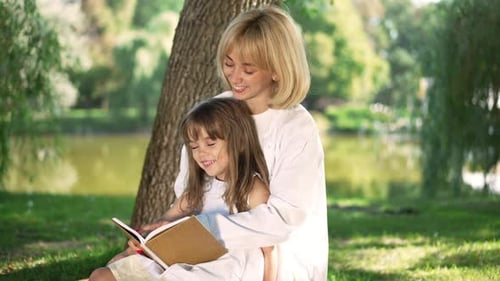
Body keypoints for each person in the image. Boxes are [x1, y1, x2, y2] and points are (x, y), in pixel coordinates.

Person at [91, 4, 328, 280]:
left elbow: (281, 222)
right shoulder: (214, 112)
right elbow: (190, 190)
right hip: (198, 245)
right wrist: (156, 237)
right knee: (109, 275)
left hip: (261, 253)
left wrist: (209, 229)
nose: (234, 77)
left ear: (277, 69)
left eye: (248, 70)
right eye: (229, 64)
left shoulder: (295, 126)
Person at [88, 97, 277, 280]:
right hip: (185, 262)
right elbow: (164, 223)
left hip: (224, 269)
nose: (201, 152)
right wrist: (140, 243)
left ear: (240, 142)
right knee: (101, 276)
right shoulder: (200, 188)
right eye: (194, 147)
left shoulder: (252, 189)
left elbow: (270, 249)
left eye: (210, 143)